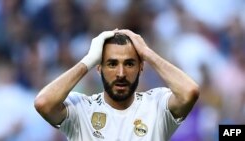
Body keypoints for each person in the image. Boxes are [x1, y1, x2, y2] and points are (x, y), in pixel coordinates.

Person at [34, 29, 199, 141]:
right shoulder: (82, 109)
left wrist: (147, 53)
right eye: (112, 64)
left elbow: (189, 92)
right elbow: (43, 103)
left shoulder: (156, 105)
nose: (121, 73)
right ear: (99, 67)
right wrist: (89, 60)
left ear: (141, 66)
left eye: (129, 64)